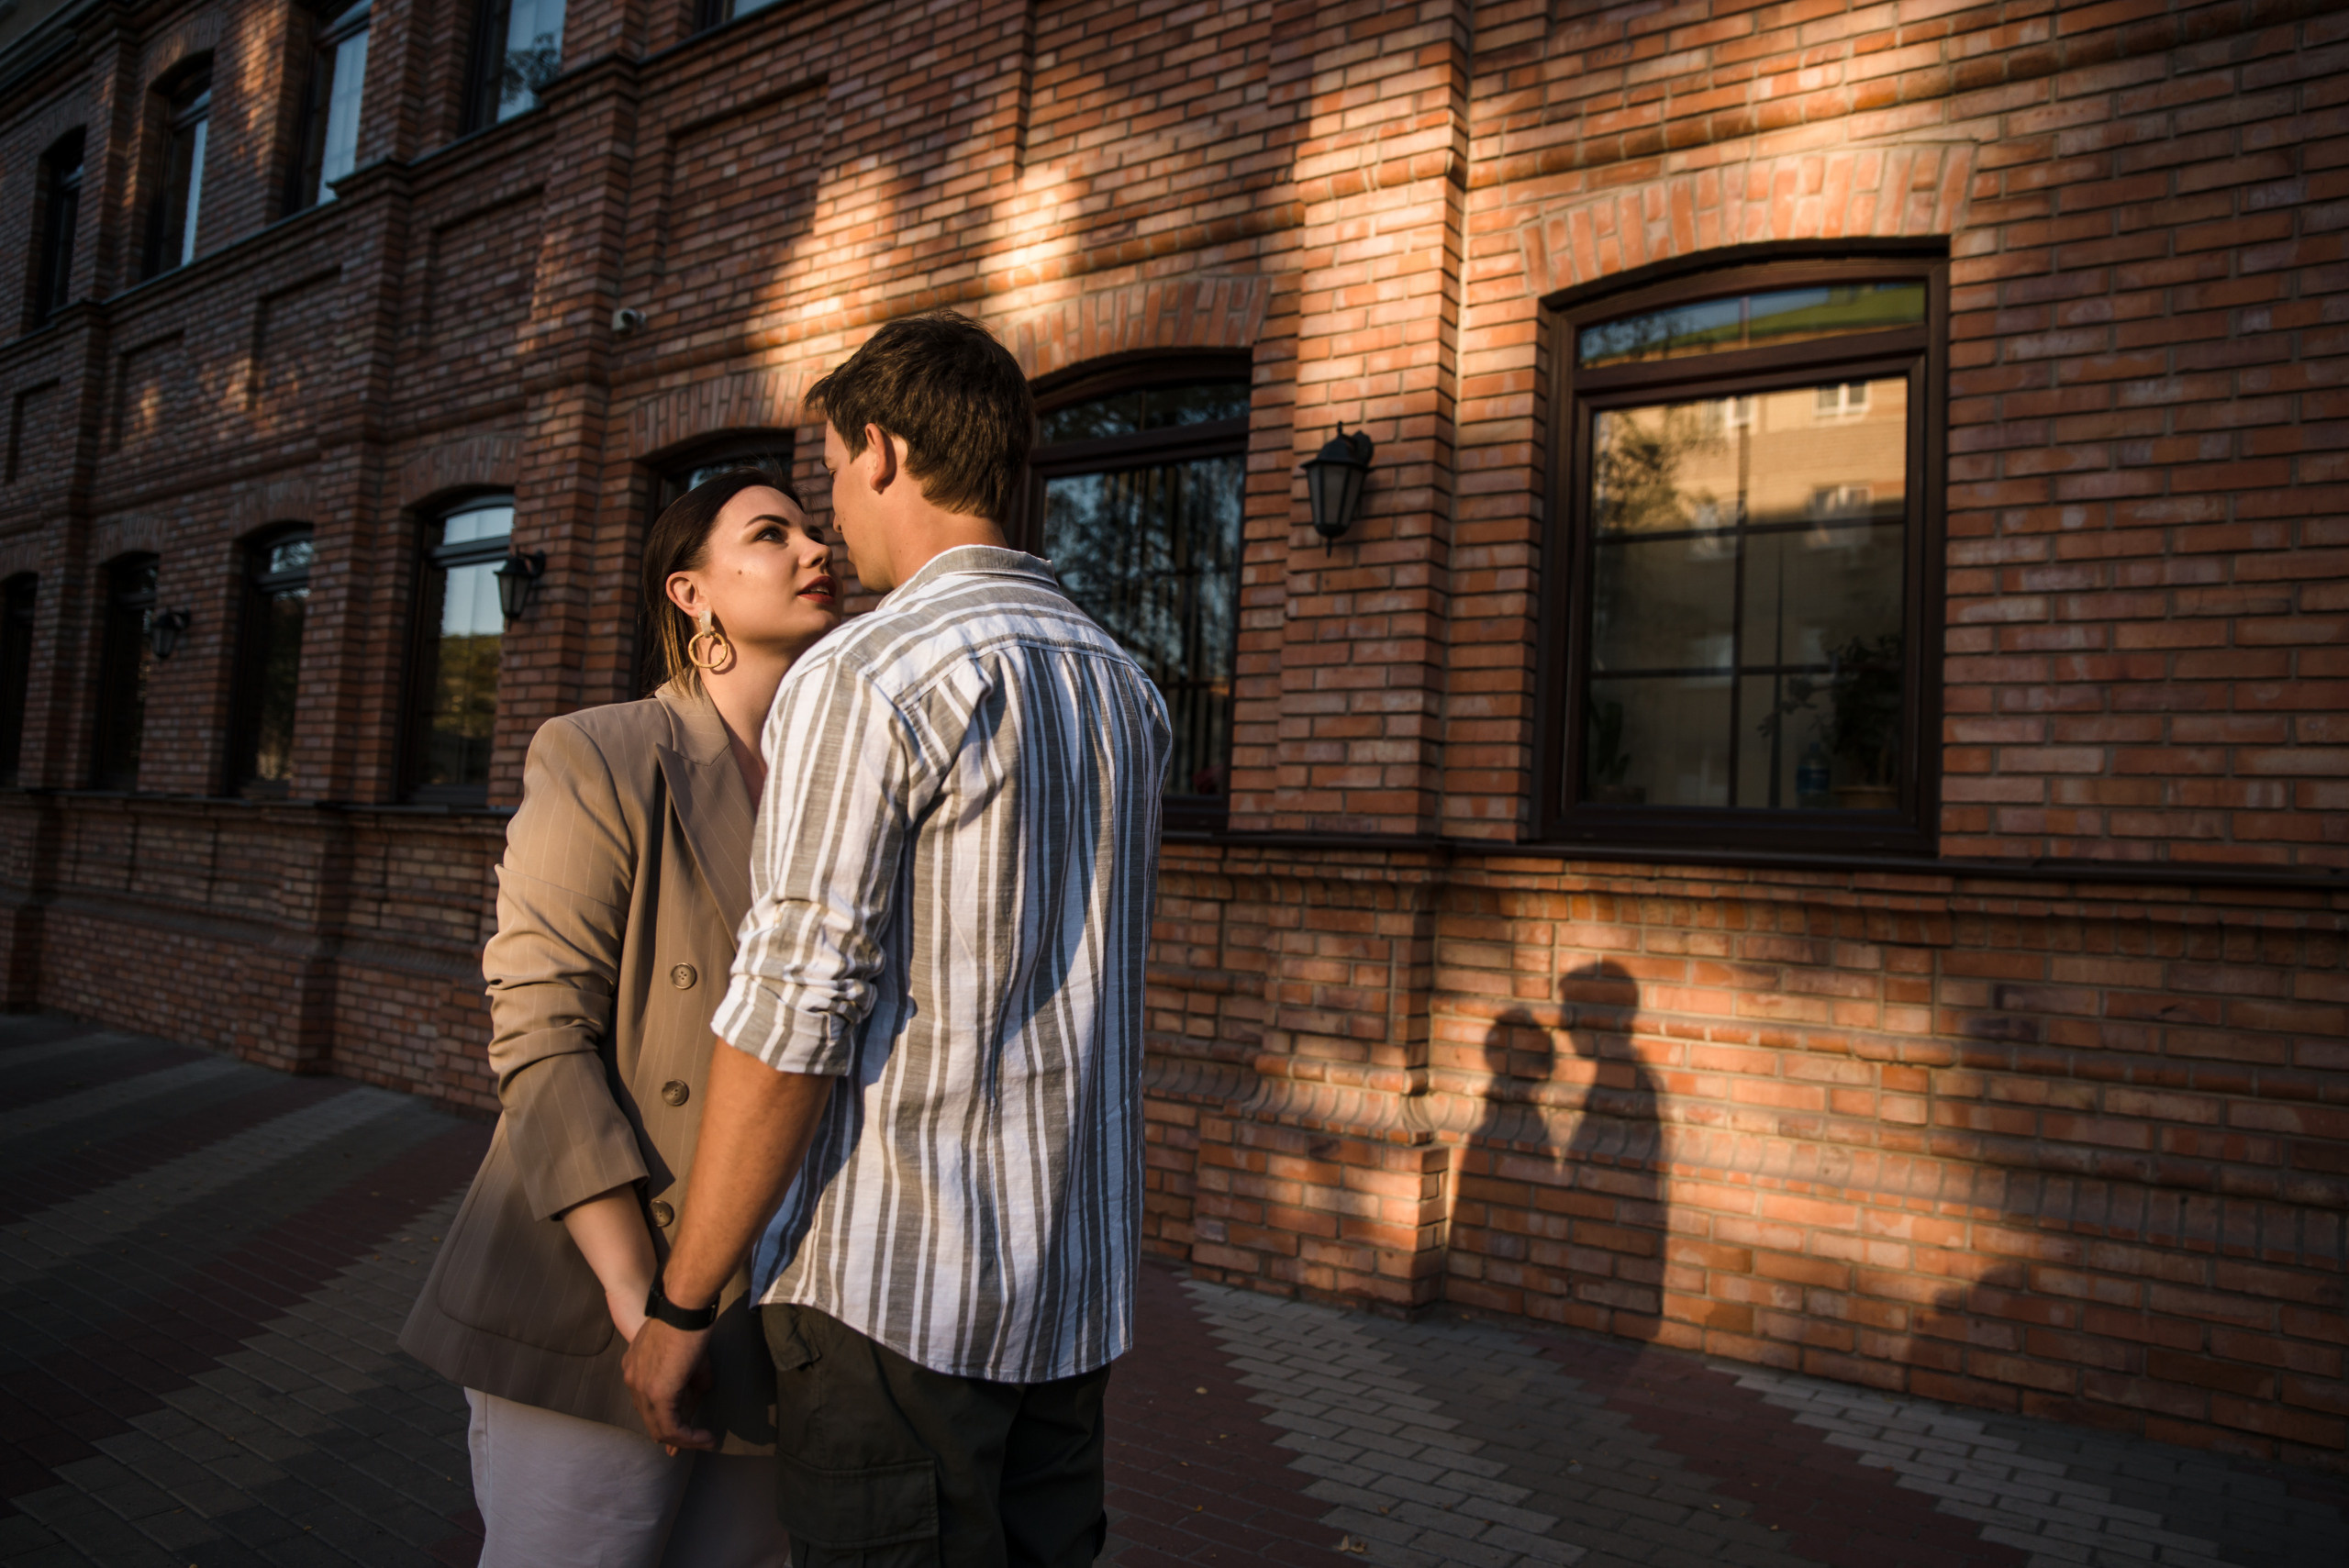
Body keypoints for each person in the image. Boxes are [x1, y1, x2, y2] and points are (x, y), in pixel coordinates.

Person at [621, 310, 1171, 1566]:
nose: (832, 518)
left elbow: (793, 1017)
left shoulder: (869, 672)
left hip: (898, 1308)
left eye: (828, 472)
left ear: (878, 449)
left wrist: (683, 1300)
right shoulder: (1123, 684)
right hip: (1069, 1300)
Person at [399, 467, 842, 1567]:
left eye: (815, 529)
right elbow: (540, 1029)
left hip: (764, 1304)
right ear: (692, 593)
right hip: (598, 1283)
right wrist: (643, 1300)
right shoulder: (602, 750)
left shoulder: (833, 785)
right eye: (771, 532)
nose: (814, 548)